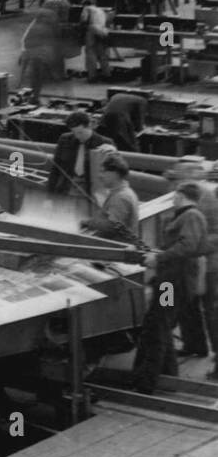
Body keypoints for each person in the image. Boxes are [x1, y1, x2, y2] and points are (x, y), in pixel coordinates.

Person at [133, 182, 208, 393]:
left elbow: (187, 246)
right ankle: (165, 375)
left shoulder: (191, 216)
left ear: (182, 195)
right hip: (169, 280)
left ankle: (147, 381)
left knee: (158, 324)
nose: (173, 199)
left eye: (175, 195)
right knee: (159, 324)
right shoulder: (186, 216)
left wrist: (158, 259)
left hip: (172, 283)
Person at [165, 159, 214, 359]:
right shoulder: (188, 208)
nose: (172, 192)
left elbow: (189, 244)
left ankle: (166, 358)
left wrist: (159, 257)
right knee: (187, 308)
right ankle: (195, 345)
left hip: (178, 273)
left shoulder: (194, 211)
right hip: (178, 272)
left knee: (164, 313)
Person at [46, 110, 116, 200]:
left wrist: (113, 153)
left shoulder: (105, 143)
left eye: (80, 132)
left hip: (91, 193)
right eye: (74, 133)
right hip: (67, 188)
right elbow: (55, 169)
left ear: (89, 126)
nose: (77, 136)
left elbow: (115, 171)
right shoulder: (65, 139)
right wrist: (49, 197)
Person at [80, 154, 139, 242]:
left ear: (115, 173)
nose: (100, 176)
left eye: (103, 171)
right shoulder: (123, 192)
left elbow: (112, 227)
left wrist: (88, 223)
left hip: (119, 251)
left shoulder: (121, 197)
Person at [19, 5, 62, 98]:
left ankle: (35, 94)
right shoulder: (46, 27)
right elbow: (52, 41)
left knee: (36, 75)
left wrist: (23, 53)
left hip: (32, 51)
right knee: (37, 75)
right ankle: (36, 95)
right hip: (38, 53)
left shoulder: (34, 26)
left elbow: (25, 39)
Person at [81, 2, 111, 82]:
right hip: (103, 30)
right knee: (102, 53)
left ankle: (92, 76)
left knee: (90, 53)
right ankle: (107, 75)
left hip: (92, 29)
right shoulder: (101, 10)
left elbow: (83, 20)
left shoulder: (87, 8)